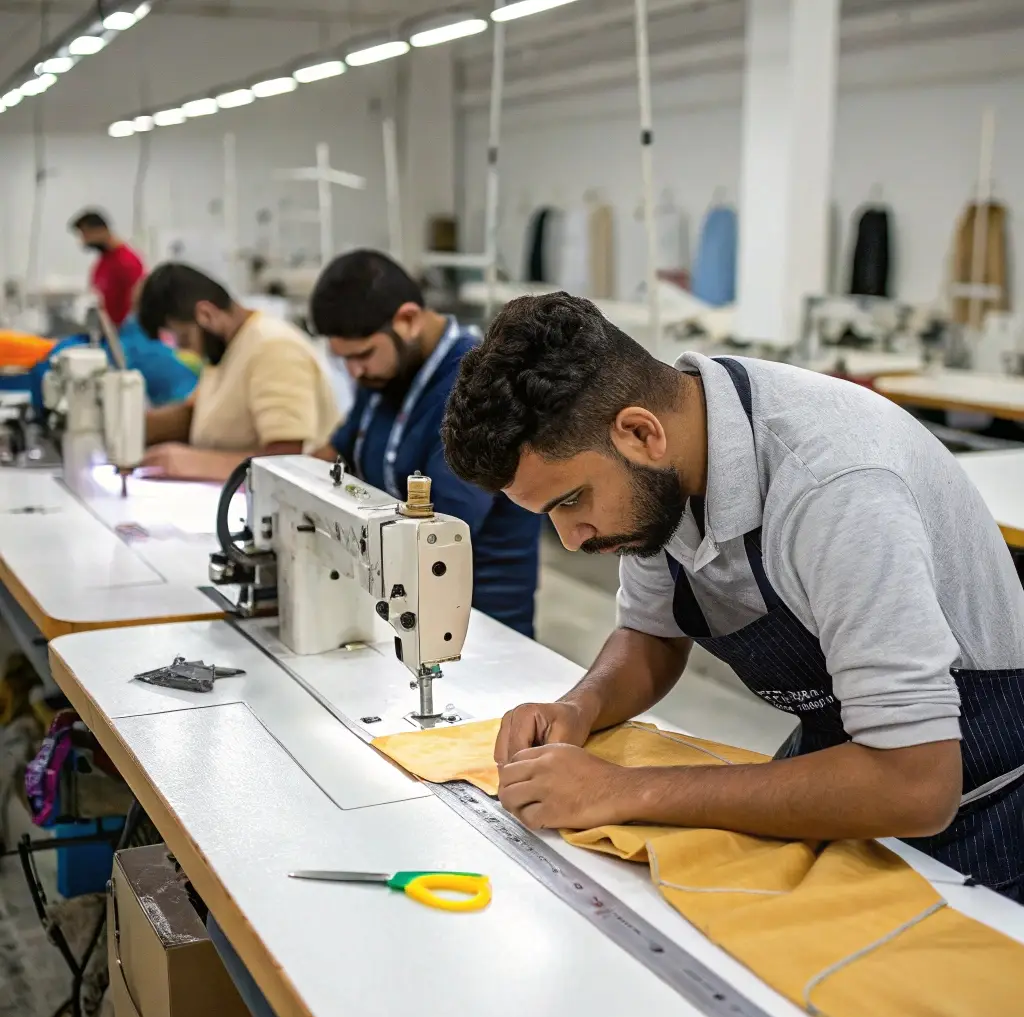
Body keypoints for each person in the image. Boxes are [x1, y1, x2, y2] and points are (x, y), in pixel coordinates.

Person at [442, 291, 1024, 902]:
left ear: (641, 433)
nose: (570, 537)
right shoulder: (669, 456)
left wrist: (618, 790)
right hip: (849, 758)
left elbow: (915, 785)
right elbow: (651, 633)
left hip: (978, 810)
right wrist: (579, 708)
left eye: (571, 501)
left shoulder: (835, 490)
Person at [310, 249, 540, 638]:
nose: (355, 372)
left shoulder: (480, 387)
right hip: (397, 600)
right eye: (344, 360)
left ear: (408, 320)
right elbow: (333, 456)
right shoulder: (384, 375)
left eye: (363, 355)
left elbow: (438, 533)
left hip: (477, 626)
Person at [137, 263, 337, 482]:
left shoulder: (273, 348)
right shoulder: (227, 347)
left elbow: (286, 460)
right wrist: (130, 428)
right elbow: (192, 415)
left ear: (206, 314)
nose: (188, 351)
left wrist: (196, 463)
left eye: (184, 339)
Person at [68, 210, 146, 326]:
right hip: (108, 330)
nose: (84, 241)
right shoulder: (104, 260)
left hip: (125, 332)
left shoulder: (127, 261)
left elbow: (138, 300)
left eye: (86, 234)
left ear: (101, 230)